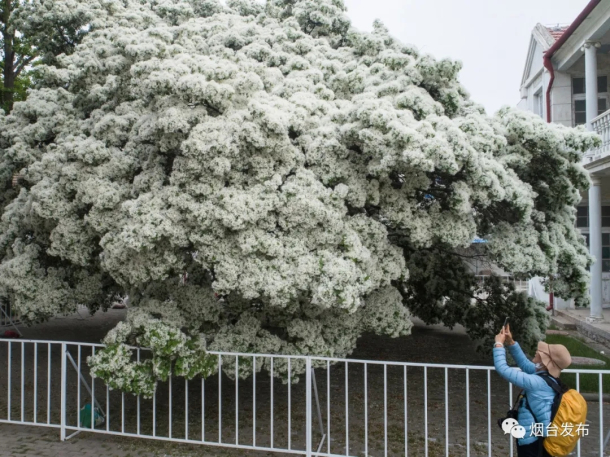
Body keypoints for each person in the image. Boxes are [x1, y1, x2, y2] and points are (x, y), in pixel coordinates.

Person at [493, 324, 572, 457]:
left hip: (532, 442)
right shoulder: (548, 377)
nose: (537, 351)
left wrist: (498, 345)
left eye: (541, 353)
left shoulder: (537, 383)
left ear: (545, 361)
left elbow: (503, 369)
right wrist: (511, 343)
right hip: (538, 438)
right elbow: (524, 364)